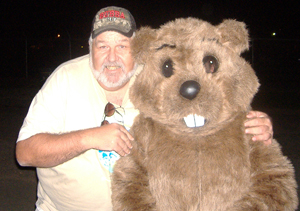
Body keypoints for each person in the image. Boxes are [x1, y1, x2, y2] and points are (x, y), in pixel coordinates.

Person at [16, 6, 274, 211]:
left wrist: (250, 128)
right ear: (91, 47)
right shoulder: (65, 79)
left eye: (122, 46)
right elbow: (25, 154)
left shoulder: (157, 80)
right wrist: (88, 138)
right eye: (103, 46)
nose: (112, 57)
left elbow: (214, 110)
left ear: (137, 50)